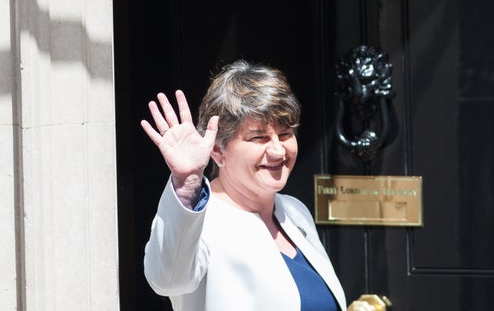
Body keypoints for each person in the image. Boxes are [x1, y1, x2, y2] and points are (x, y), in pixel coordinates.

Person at [140, 60, 347, 310]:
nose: (277, 150)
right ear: (218, 150)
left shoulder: (295, 212)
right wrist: (187, 182)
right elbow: (168, 281)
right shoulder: (202, 221)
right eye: (258, 137)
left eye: (285, 134)